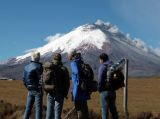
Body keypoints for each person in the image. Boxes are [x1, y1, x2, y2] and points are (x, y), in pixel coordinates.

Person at [44, 53, 70, 119]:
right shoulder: (63, 69)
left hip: (50, 91)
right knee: (57, 114)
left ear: (53, 58)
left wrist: (46, 91)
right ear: (60, 59)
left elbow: (44, 80)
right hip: (59, 93)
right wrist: (65, 93)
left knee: (49, 113)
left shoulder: (48, 67)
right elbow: (67, 83)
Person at [68, 50, 90, 119]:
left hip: (77, 88)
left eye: (69, 55)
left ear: (72, 55)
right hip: (84, 87)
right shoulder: (81, 61)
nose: (68, 56)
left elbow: (76, 72)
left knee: (79, 108)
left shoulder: (73, 63)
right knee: (84, 107)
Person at [97, 53, 119, 119]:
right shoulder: (113, 66)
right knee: (113, 110)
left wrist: (99, 88)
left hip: (105, 91)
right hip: (113, 91)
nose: (99, 61)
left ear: (102, 59)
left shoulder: (103, 67)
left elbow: (100, 79)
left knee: (105, 111)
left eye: (100, 60)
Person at [23, 52, 43, 119]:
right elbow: (41, 78)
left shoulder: (26, 67)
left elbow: (24, 79)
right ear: (38, 58)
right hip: (37, 90)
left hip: (29, 89)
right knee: (38, 109)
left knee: (28, 108)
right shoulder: (39, 66)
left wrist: (28, 87)